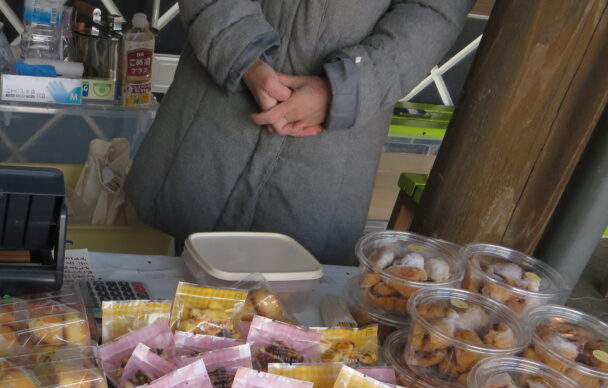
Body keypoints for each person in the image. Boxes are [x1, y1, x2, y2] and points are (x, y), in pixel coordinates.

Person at [125, 0, 473, 264]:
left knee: (292, 320)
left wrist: (344, 89)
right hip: (204, 127)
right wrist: (242, 55)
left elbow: (434, 10)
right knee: (145, 303)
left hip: (327, 158)